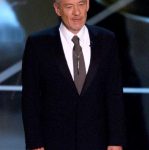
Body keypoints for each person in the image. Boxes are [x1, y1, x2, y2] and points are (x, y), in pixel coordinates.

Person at [22, 0, 126, 150]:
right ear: (57, 9)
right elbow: (30, 99)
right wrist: (35, 143)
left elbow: (114, 94)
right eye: (69, 6)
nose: (77, 12)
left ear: (88, 5)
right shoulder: (38, 43)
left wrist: (116, 141)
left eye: (81, 4)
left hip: (98, 141)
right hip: (53, 141)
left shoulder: (107, 40)